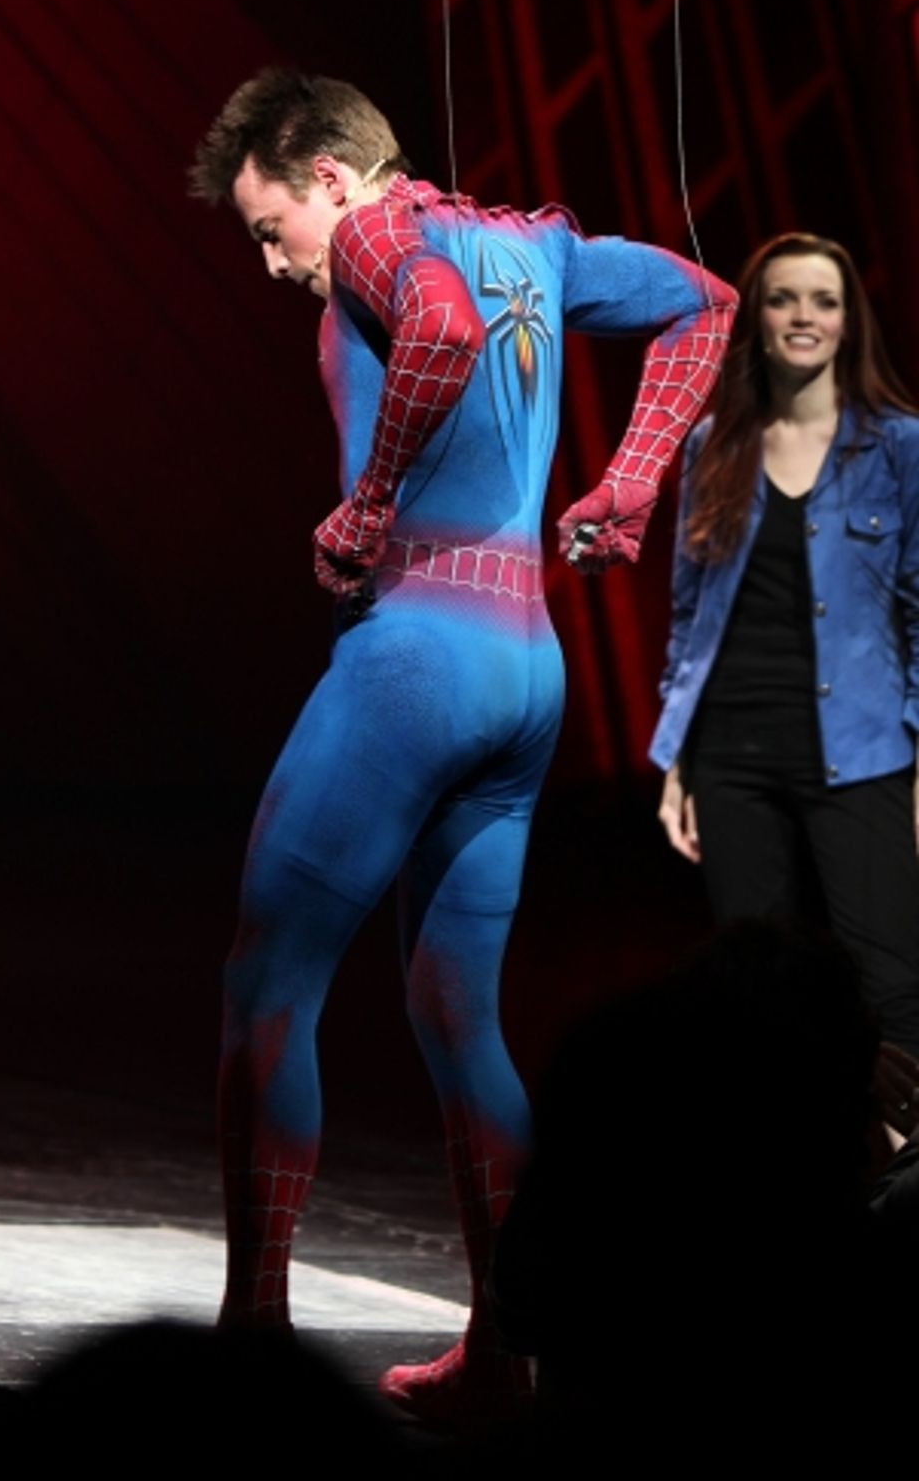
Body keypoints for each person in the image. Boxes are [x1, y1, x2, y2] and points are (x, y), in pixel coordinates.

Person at [189, 69, 735, 1420]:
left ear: (327, 172)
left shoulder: (379, 229)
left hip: (419, 650)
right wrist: (629, 481)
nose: (275, 265)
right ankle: (507, 1352)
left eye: (271, 230)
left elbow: (430, 324)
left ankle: (255, 1348)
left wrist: (369, 507)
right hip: (525, 670)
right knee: (458, 1016)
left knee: (268, 987)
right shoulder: (532, 244)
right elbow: (705, 306)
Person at [653, 232, 919, 1065]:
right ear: (757, 319)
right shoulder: (711, 447)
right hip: (732, 751)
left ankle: (896, 1172)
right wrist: (678, 760)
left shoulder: (901, 447)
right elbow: (688, 615)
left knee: (891, 981)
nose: (804, 316)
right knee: (750, 989)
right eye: (783, 299)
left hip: (864, 752)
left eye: (824, 301)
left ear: (849, 323)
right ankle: (773, 1176)